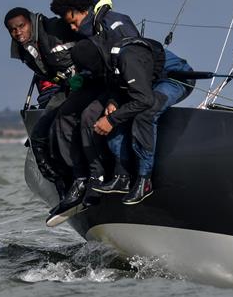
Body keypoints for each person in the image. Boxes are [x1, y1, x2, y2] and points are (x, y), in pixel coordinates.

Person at [44, 0, 143, 223]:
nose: (72, 27)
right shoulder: (89, 28)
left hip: (126, 86)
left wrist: (114, 100)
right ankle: (79, 179)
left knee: (90, 116)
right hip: (103, 84)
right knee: (65, 115)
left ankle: (98, 179)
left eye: (72, 20)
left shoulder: (116, 23)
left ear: (81, 9)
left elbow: (134, 61)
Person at [71, 34, 193, 206]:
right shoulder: (106, 55)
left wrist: (111, 120)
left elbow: (145, 100)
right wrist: (113, 102)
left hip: (175, 78)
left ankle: (145, 181)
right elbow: (115, 83)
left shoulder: (128, 58)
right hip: (147, 84)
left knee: (145, 114)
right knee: (116, 114)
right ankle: (123, 177)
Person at [5, 7, 78, 198]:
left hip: (86, 85)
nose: (18, 32)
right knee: (38, 137)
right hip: (65, 89)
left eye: (21, 26)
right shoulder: (24, 49)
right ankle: (63, 188)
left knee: (66, 128)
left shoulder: (53, 29)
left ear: (30, 22)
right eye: (13, 29)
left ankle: (84, 180)